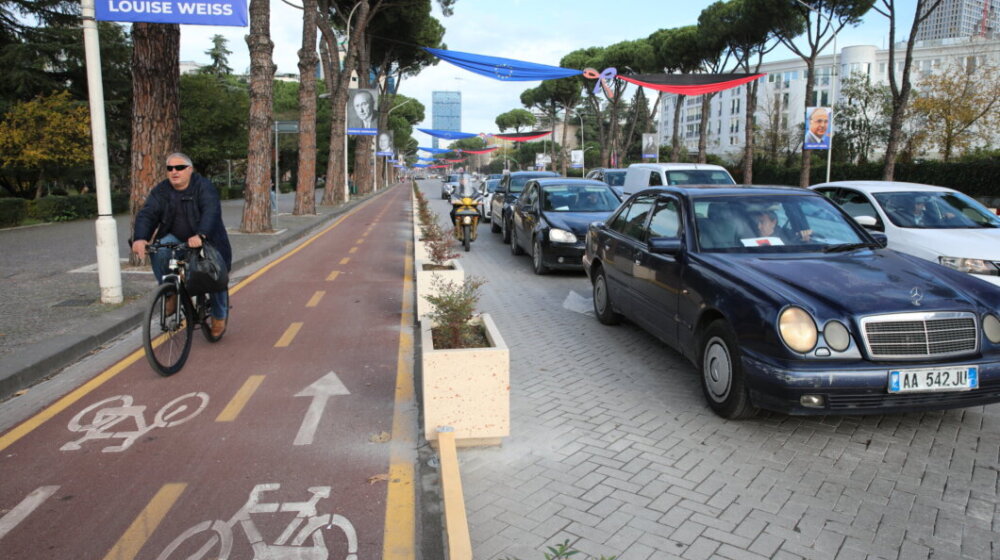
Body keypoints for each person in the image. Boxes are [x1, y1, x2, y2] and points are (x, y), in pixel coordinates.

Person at [131, 153, 232, 337]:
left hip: (207, 238)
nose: (174, 172)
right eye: (170, 168)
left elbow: (211, 211)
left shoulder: (204, 187)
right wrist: (140, 238)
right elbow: (148, 214)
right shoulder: (161, 191)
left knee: (214, 276)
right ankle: (171, 291)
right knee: (160, 250)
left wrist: (201, 234)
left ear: (190, 170)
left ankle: (219, 316)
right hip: (176, 238)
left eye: (179, 168)